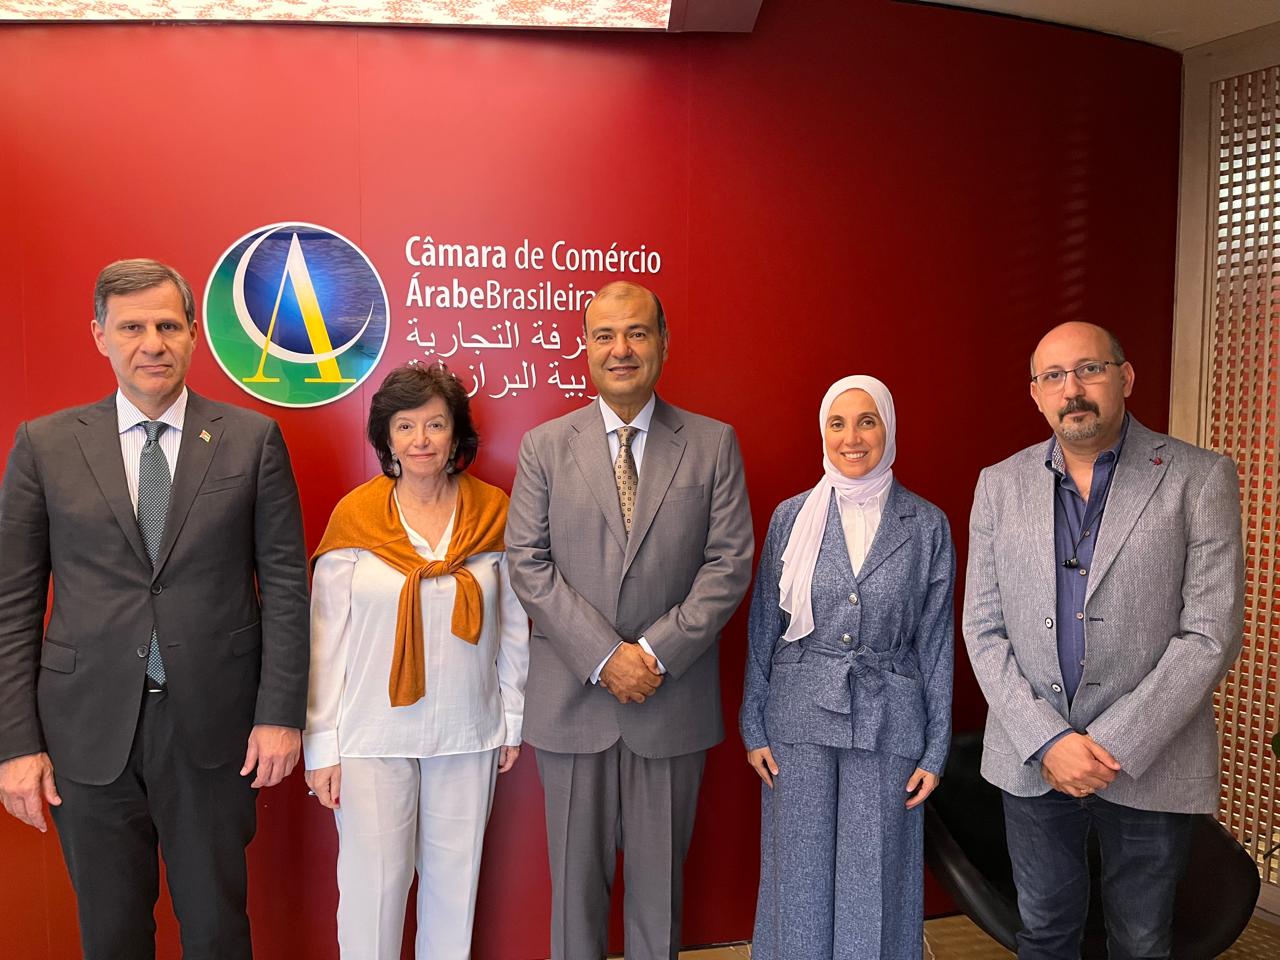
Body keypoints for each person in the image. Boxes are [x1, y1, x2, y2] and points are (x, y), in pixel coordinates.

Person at [0, 259, 309, 959]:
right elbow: (13, 603)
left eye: (168, 326)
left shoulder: (252, 438)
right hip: (86, 731)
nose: (152, 344)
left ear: (194, 333)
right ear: (99, 336)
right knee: (112, 936)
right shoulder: (44, 445)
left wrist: (279, 714)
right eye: (131, 327)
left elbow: (287, 587)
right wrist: (16, 744)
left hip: (216, 728)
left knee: (217, 931)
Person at [963, 321, 1244, 960]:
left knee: (1143, 942)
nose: (1072, 389)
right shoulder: (999, 485)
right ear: (1036, 393)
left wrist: (1110, 745)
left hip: (1151, 758)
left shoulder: (1199, 477)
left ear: (1125, 377)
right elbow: (983, 628)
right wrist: (1050, 741)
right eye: (1054, 376)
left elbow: (1211, 632)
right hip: (1035, 759)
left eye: (1089, 369)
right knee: (1044, 935)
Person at [505, 280, 754, 960]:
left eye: (637, 333)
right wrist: (604, 656)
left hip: (669, 702)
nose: (621, 349)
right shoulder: (544, 446)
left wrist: (653, 653)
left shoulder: (712, 443)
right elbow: (527, 563)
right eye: (605, 335)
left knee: (658, 903)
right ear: (585, 348)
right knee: (573, 904)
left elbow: (729, 564)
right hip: (572, 705)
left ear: (663, 344)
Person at [304, 363, 529, 960]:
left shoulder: (494, 512)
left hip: (468, 731)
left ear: (456, 436)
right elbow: (325, 642)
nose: (421, 440)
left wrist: (511, 719)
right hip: (370, 738)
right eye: (405, 426)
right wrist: (321, 746)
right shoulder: (355, 517)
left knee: (455, 894)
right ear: (387, 438)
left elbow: (514, 626)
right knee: (372, 894)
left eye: (435, 424)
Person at [740, 375, 954, 960]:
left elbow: (936, 642)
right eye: (837, 423)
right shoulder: (791, 518)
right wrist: (753, 726)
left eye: (867, 421)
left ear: (889, 428)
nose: (851, 438)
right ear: (822, 432)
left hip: (889, 723)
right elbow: (764, 626)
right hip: (798, 720)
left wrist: (936, 749)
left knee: (873, 882)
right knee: (798, 880)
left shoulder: (926, 525)